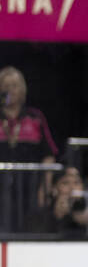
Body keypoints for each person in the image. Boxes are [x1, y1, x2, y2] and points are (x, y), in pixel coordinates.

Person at [0, 65, 58, 230]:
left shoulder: (35, 117)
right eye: (5, 85)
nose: (9, 90)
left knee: (29, 228)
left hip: (30, 187)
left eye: (14, 85)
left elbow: (48, 155)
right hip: (1, 187)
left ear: (22, 89)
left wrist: (44, 188)